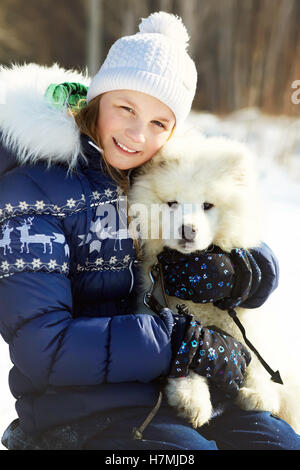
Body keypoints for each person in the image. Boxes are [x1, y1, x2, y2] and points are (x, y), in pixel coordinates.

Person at [0, 11, 299, 451]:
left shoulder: (156, 172)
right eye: (126, 108)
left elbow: (237, 225)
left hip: (174, 390)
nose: (138, 134)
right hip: (82, 410)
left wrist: (238, 271)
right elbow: (44, 348)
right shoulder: (33, 189)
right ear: (97, 98)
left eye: (160, 122)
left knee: (277, 442)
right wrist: (179, 340)